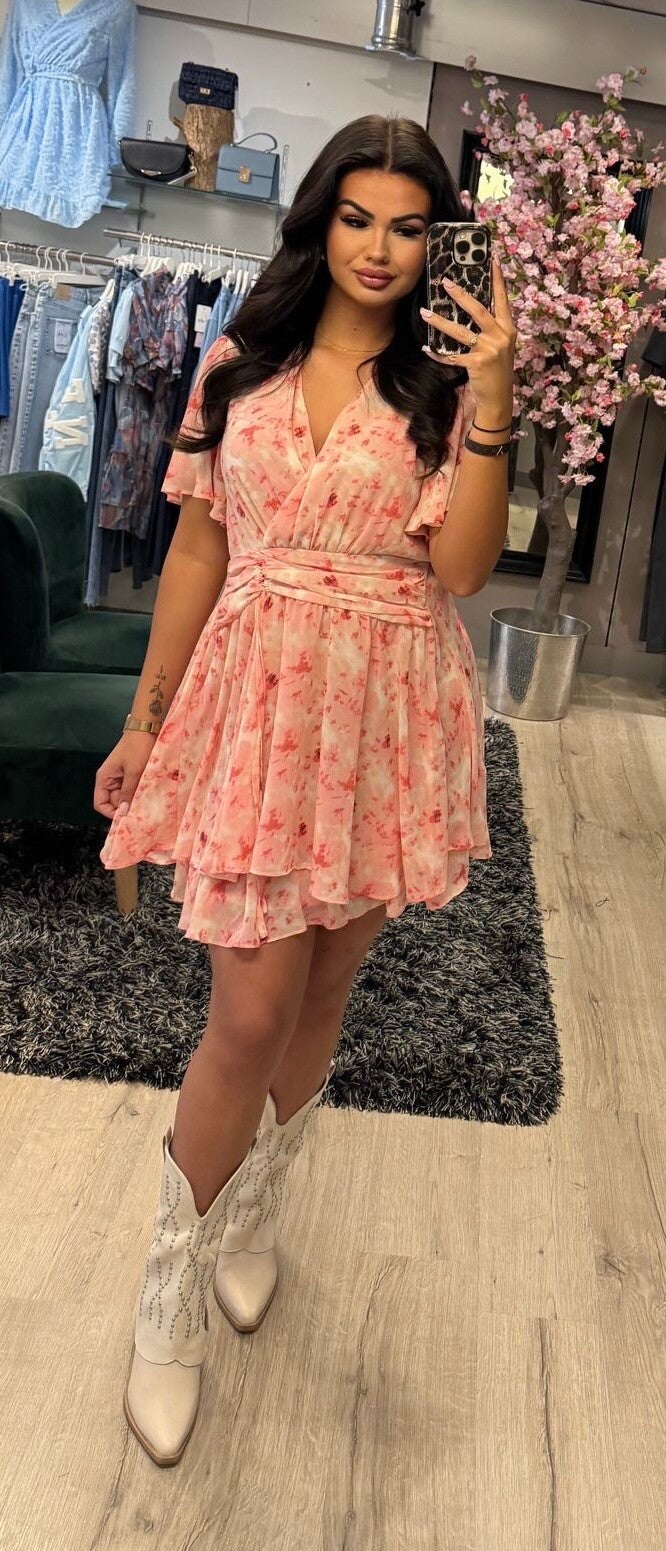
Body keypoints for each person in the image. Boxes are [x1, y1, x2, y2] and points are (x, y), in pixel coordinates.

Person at [93, 113, 516, 1469]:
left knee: (323, 994)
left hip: (389, 709)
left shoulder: (444, 387)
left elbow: (462, 572)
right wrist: (147, 719)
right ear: (318, 221)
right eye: (356, 217)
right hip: (261, 702)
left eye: (409, 226)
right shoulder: (241, 360)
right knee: (248, 1011)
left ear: (436, 240)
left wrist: (495, 395)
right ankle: (169, 1294)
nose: (379, 249)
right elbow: (197, 553)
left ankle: (256, 1213)